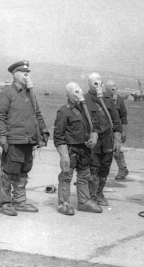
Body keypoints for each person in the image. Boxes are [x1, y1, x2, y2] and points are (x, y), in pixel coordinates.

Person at [0, 60, 50, 216]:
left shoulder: (30, 93)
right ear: (14, 74)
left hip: (29, 140)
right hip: (14, 139)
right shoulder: (6, 93)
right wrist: (3, 137)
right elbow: (0, 116)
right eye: (23, 72)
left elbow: (37, 114)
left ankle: (19, 201)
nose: (27, 74)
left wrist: (44, 131)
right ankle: (5, 202)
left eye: (28, 72)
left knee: (24, 172)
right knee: (8, 172)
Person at [53, 82, 101, 215]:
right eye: (75, 91)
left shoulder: (85, 110)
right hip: (71, 149)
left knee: (84, 176)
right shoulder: (63, 111)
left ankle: (84, 202)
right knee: (66, 176)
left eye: (79, 90)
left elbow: (94, 125)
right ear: (68, 94)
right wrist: (63, 155)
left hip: (84, 149)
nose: (78, 93)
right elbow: (58, 135)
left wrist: (94, 136)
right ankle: (63, 203)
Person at [83, 73, 122, 207]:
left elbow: (116, 120)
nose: (98, 85)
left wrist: (117, 140)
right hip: (94, 139)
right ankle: (92, 195)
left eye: (100, 82)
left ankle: (99, 193)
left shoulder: (108, 99)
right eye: (95, 82)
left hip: (107, 139)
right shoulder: (84, 99)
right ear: (89, 84)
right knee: (93, 167)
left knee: (105, 167)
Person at [105, 80, 129, 180]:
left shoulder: (120, 100)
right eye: (112, 89)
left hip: (116, 129)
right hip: (104, 129)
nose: (114, 91)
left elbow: (123, 116)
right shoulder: (102, 99)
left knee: (116, 150)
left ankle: (123, 169)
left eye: (116, 89)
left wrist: (124, 131)